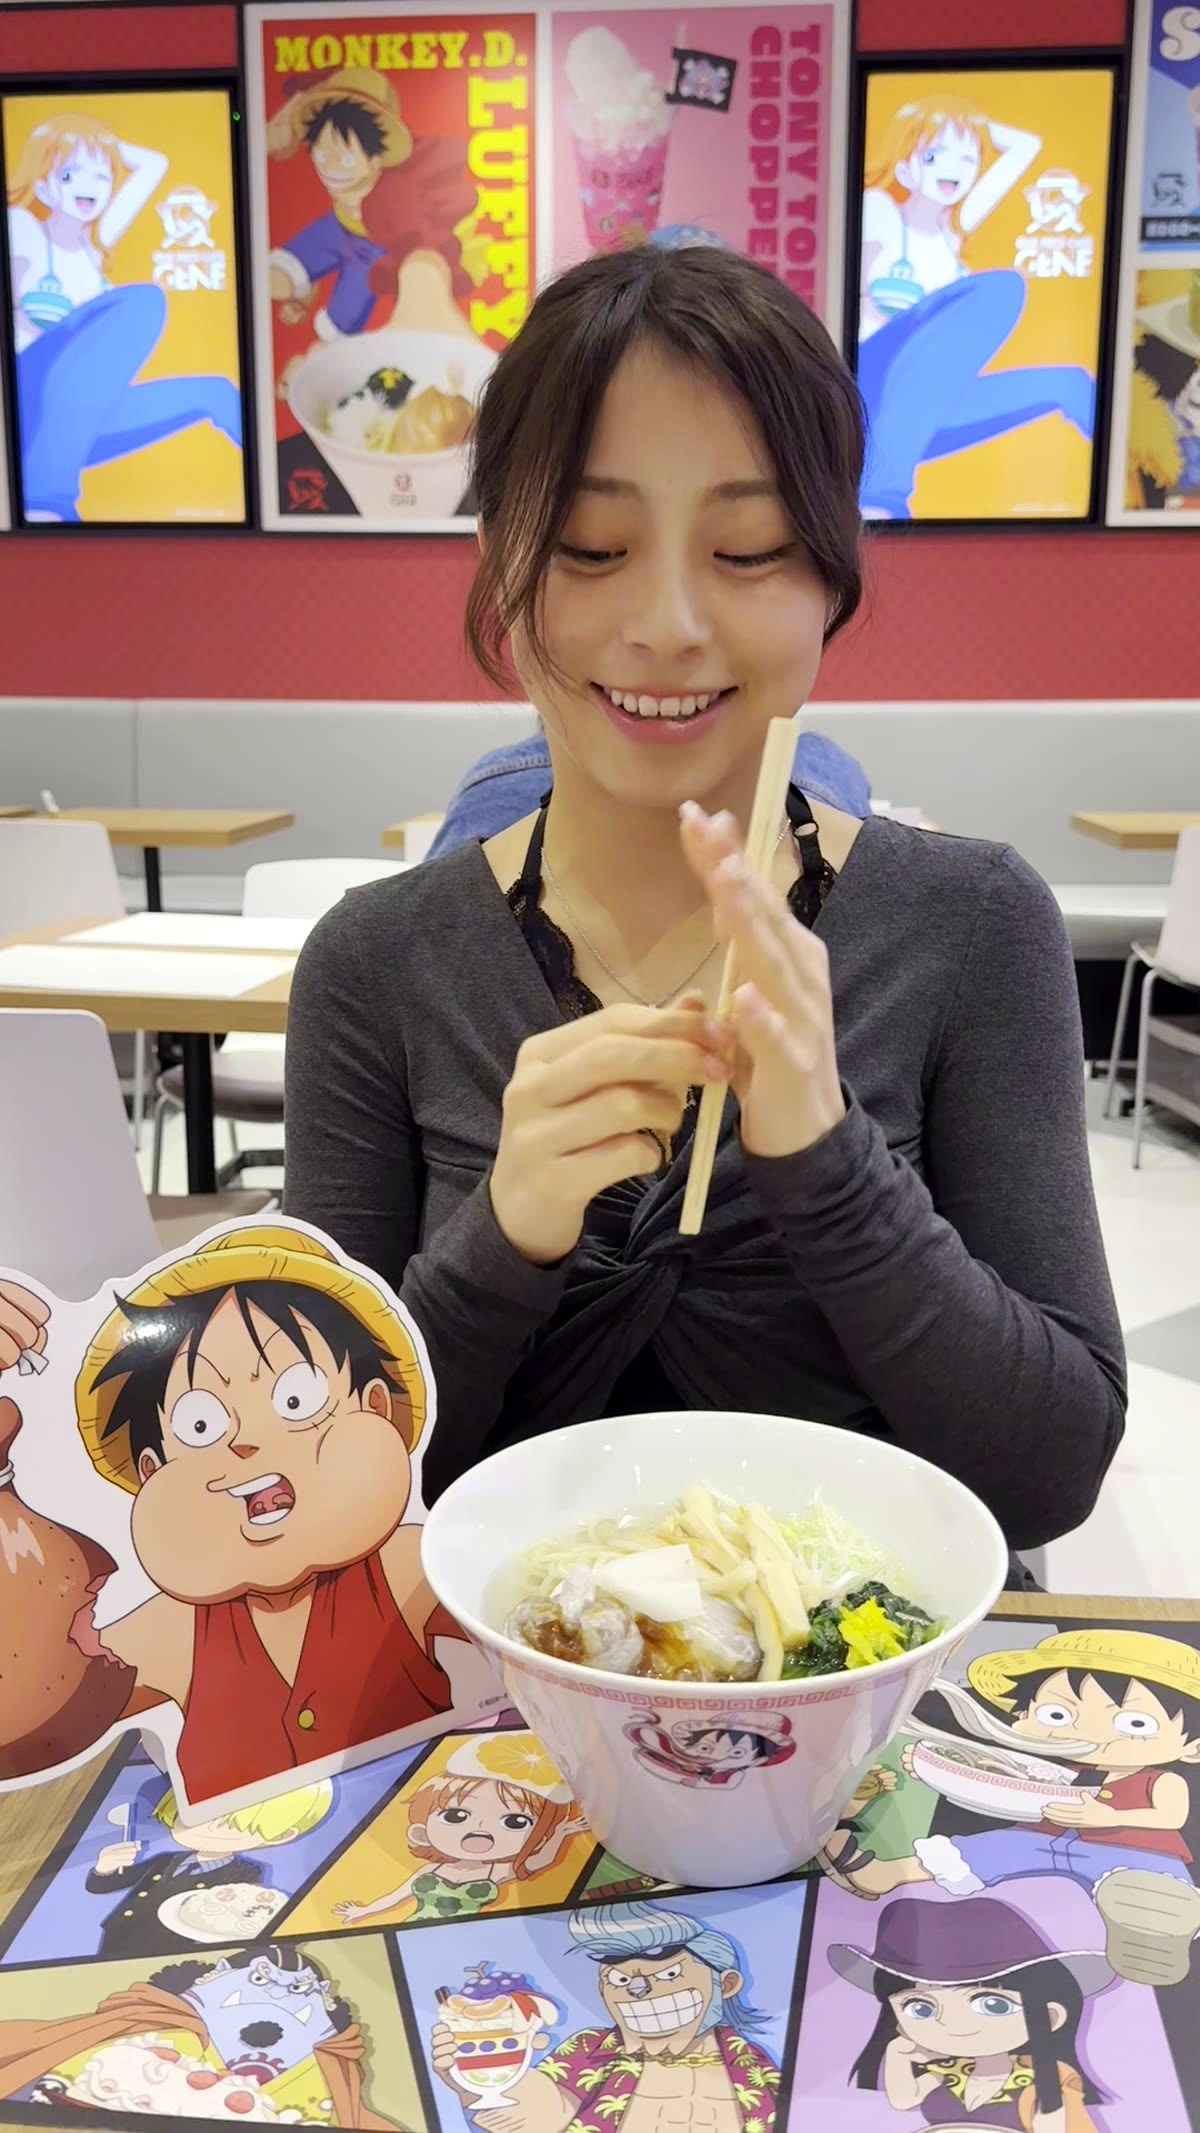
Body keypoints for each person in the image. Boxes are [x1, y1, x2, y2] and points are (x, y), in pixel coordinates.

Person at [283, 242, 1125, 1549]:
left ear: (832, 570)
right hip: (497, 1719)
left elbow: (1053, 1472)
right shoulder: (378, 964)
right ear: (504, 557)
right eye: (592, 544)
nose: (669, 619)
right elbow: (313, 1495)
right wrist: (504, 1239)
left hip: (871, 1709)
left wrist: (833, 1169)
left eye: (747, 548)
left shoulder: (973, 926)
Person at [0, 1226, 463, 1798]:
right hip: (239, 1867)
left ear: (373, 1408)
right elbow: (31, 1713)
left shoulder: (405, 1568)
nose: (247, 1442)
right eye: (201, 1426)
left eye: (296, 1399)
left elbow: (518, 1628)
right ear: (152, 1472)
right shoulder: (172, 1633)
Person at [822, 1628, 1200, 1989]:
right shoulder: (1060, 1770)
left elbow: (1170, 1816)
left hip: (1129, 1853)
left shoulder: (1160, 1780)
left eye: (1135, 1723)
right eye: (1057, 1715)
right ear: (1023, 1717)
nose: (1089, 1734)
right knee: (994, 1847)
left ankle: (1151, 1929)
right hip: (1044, 1841)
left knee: (1135, 1886)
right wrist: (956, 1768)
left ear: (1193, 1746)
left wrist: (1111, 1817)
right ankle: (888, 1873)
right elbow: (1018, 1781)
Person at [857, 94, 1095, 518]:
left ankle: (1137, 497)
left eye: (968, 159)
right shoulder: (879, 210)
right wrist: (934, 116)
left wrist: (970, 120)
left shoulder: (952, 235)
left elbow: (1025, 148)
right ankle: (879, 497)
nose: (953, 169)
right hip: (869, 381)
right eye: (935, 155)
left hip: (916, 405)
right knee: (1001, 289)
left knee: (1071, 383)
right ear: (905, 168)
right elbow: (857, 300)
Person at [6, 113, 241, 522]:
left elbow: (155, 165)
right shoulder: (24, 227)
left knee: (216, 392)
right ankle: (46, 498)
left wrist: (100, 143)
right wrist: (66, 137)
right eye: (70, 174)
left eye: (101, 177)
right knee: (144, 303)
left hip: (75, 415)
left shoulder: (93, 251)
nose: (87, 187)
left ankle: (287, 501)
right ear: (42, 184)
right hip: (27, 396)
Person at [431, 1902, 781, 2130]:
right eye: (620, 1980)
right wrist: (467, 2074)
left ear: (728, 1983)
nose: (639, 1989)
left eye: (670, 1974)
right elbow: (538, 2116)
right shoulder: (591, 2050)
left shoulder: (752, 2064)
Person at [832, 1895, 1108, 2130]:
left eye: (993, 2005)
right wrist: (897, 2054)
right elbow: (904, 2099)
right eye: (920, 2008)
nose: (952, 2024)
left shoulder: (1044, 2078)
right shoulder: (950, 2072)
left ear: (1050, 2017)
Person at [427, 724, 872, 859]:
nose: (669, 630)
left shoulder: (495, 784)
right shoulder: (826, 770)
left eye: (745, 554)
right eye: (594, 553)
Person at [332, 1734, 585, 1924]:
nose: (480, 1832)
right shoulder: (432, 1869)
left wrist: (561, 1833)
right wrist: (363, 1912)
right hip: (416, 1926)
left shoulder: (497, 1871)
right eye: (455, 1816)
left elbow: (541, 1860)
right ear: (420, 1833)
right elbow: (396, 1897)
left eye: (516, 1822)